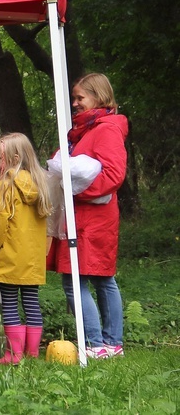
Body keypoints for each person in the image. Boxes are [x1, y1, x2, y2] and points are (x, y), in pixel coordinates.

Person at [48, 73, 128, 359]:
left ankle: (98, 344)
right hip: (81, 216)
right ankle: (109, 343)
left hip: (94, 217)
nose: (75, 103)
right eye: (74, 98)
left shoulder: (105, 129)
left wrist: (73, 191)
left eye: (81, 97)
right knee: (95, 279)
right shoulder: (83, 130)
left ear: (99, 97)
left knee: (83, 279)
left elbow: (113, 175)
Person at [0, 133, 53, 365]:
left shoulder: (4, 186)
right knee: (32, 303)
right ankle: (32, 354)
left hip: (10, 257)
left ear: (13, 158)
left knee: (11, 304)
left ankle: (13, 355)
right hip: (32, 259)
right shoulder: (40, 183)